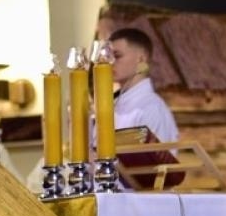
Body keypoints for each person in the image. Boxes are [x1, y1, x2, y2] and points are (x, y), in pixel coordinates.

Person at [24, 28, 180, 192]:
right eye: (108, 56)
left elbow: (156, 174)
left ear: (141, 58)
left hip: (139, 202)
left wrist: (97, 161)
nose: (110, 61)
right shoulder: (110, 107)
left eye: (117, 56)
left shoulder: (152, 108)